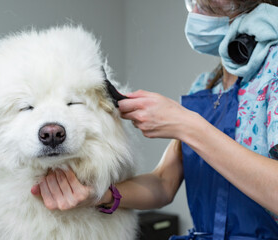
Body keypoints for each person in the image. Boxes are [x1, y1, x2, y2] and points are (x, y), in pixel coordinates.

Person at [31, 0, 278, 238]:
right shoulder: (206, 87)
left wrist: (186, 124)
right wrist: (99, 195)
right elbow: (163, 184)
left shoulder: (271, 77)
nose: (200, 6)